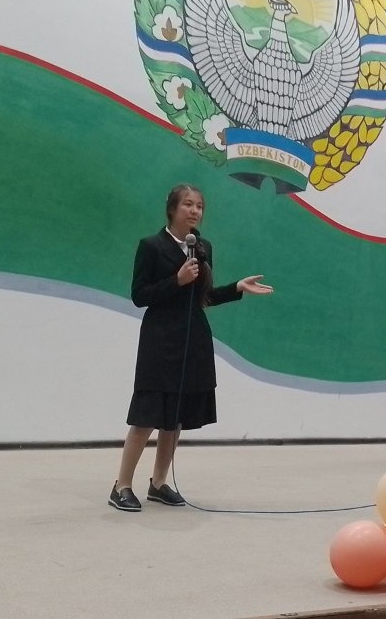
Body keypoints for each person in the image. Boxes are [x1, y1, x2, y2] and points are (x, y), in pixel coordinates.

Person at [109, 183, 273, 512]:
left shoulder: (202, 247)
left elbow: (203, 297)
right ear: (172, 208)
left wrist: (236, 288)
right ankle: (121, 486)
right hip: (160, 340)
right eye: (188, 204)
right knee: (147, 415)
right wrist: (176, 280)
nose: (195, 211)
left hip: (193, 339)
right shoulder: (152, 246)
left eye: (199, 206)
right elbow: (140, 296)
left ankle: (159, 483)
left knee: (176, 418)